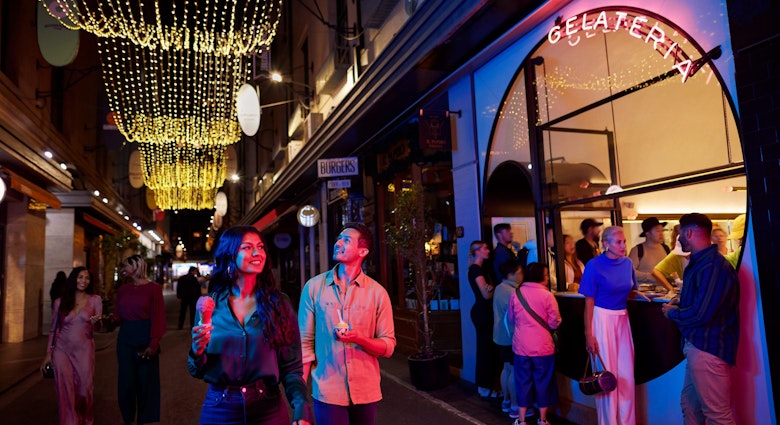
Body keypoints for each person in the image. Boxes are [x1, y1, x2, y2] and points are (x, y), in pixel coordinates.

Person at [189, 226, 312, 425]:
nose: (257, 253)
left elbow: (292, 368)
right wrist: (197, 350)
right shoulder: (210, 305)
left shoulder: (279, 303)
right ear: (230, 254)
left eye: (260, 247)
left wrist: (301, 408)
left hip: (268, 410)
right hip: (220, 409)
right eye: (247, 247)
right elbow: (196, 370)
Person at [298, 223, 395, 425]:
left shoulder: (377, 293)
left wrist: (359, 338)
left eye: (346, 240)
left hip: (366, 391)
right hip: (327, 391)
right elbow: (304, 345)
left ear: (362, 251)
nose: (338, 243)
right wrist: (299, 399)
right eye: (339, 238)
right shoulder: (314, 288)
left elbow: (388, 346)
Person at [662, 213, 740, 424]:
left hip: (708, 348)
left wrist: (672, 313)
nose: (678, 238)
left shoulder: (712, 265)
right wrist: (681, 301)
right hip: (699, 345)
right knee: (690, 407)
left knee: (717, 415)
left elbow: (701, 314)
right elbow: (704, 302)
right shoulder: (703, 263)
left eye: (680, 233)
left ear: (689, 232)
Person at [579, 226, 649, 425]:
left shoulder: (627, 263)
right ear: (606, 244)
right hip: (602, 318)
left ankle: (627, 421)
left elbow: (628, 289)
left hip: (622, 317)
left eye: (624, 241)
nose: (623, 245)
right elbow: (589, 302)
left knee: (626, 374)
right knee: (606, 376)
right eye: (618, 242)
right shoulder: (594, 265)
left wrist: (639, 294)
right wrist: (589, 334)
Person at [40, 267, 102, 425]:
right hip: (62, 351)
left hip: (84, 351)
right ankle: (70, 422)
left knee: (85, 390)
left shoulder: (95, 300)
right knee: (65, 390)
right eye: (80, 277)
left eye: (87, 278)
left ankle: (86, 419)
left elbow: (98, 328)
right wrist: (49, 354)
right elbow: (54, 330)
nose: (83, 281)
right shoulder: (60, 302)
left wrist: (96, 323)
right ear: (74, 279)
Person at [112, 254, 166, 425]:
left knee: (145, 383)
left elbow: (158, 317)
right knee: (126, 383)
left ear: (136, 266)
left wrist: (153, 343)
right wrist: (102, 319)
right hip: (125, 339)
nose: (124, 269)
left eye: (126, 265)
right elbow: (117, 315)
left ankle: (144, 420)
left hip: (145, 338)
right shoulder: (123, 289)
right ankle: (127, 418)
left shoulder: (154, 289)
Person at [507, 262, 561, 425]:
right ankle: (542, 419)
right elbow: (554, 322)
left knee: (522, 382)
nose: (547, 278)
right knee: (543, 382)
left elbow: (511, 318)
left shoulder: (516, 294)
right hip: (543, 347)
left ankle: (521, 419)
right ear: (539, 276)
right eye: (546, 275)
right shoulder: (547, 296)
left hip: (521, 346)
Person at [468, 240, 500, 398]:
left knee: (487, 348)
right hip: (483, 312)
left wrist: (491, 289)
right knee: (485, 349)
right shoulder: (476, 270)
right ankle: (484, 386)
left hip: (484, 312)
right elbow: (486, 295)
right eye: (485, 248)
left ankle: (487, 385)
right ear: (477, 251)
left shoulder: (481, 269)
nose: (488, 250)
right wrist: (494, 289)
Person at [493, 259, 523, 419]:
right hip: (511, 336)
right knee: (514, 370)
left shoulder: (499, 288)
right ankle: (515, 405)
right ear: (510, 274)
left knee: (506, 368)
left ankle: (505, 401)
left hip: (500, 336)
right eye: (519, 272)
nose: (522, 275)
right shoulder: (511, 292)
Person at [627, 217, 670, 284]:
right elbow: (630, 271)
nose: (661, 234)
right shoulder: (638, 250)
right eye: (657, 231)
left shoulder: (665, 248)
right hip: (645, 289)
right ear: (648, 234)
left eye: (662, 231)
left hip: (665, 288)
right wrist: (650, 277)